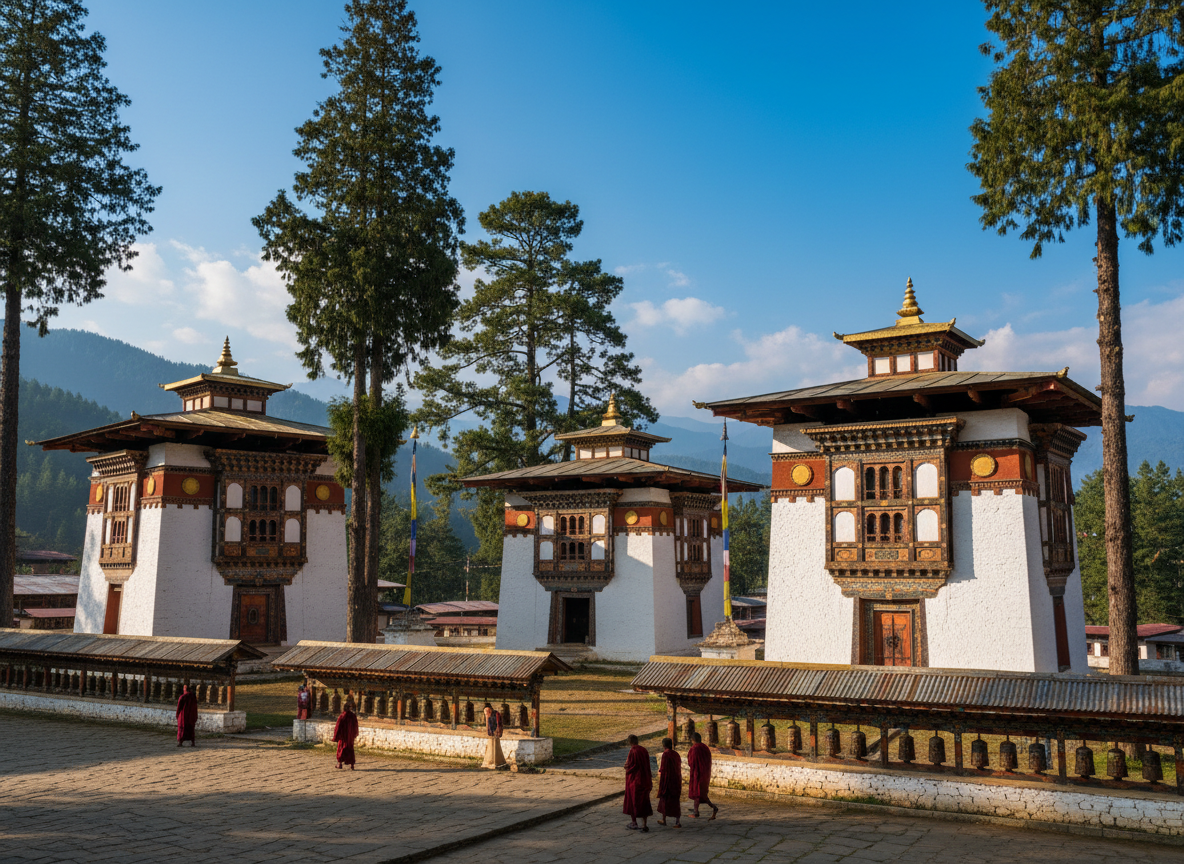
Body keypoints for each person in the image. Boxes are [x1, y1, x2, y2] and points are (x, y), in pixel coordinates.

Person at [623, 734, 653, 832]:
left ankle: (634, 822)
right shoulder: (644, 750)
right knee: (644, 801)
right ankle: (644, 824)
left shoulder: (633, 751)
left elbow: (631, 765)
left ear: (630, 742)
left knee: (633, 801)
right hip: (645, 779)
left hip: (635, 780)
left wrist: (626, 768)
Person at [687, 732, 719, 819]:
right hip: (705, 773)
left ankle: (697, 812)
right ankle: (711, 807)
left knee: (697, 792)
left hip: (697, 773)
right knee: (702, 793)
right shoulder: (705, 747)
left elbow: (691, 762)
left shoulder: (694, 748)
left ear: (693, 740)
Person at [656, 737, 682, 827]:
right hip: (676, 780)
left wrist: (660, 775)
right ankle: (677, 821)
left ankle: (664, 820)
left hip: (667, 780)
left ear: (663, 746)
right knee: (675, 801)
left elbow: (663, 768)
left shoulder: (665, 754)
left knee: (665, 800)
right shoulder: (676, 754)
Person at [333, 701, 359, 770]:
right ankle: (352, 765)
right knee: (350, 749)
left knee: (341, 749)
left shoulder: (342, 716)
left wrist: (336, 736)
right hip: (350, 737)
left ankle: (339, 764)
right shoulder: (353, 716)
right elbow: (355, 726)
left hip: (343, 737)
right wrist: (354, 734)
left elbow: (338, 727)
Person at [482, 703, 507, 769]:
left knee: (496, 748)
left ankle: (498, 762)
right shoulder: (487, 716)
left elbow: (499, 724)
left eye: (488, 710)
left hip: (496, 733)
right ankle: (489, 762)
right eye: (486, 711)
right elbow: (488, 726)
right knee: (490, 748)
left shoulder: (496, 714)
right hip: (491, 735)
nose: (487, 712)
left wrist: (497, 731)